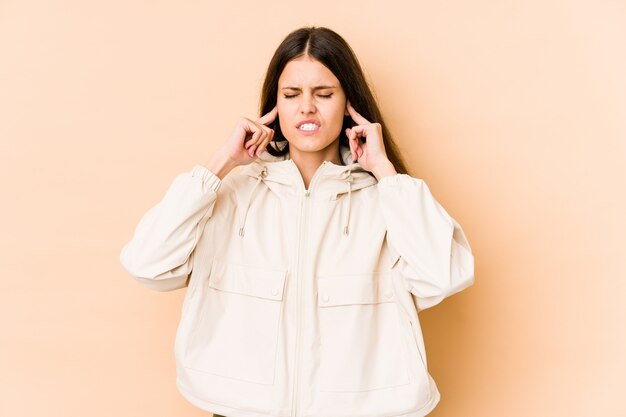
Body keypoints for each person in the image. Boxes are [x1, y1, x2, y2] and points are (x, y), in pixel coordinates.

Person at [120, 26, 475, 417]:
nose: (307, 107)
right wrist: (220, 164)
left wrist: (386, 174)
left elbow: (445, 273)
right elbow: (147, 264)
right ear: (275, 105)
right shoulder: (233, 194)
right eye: (291, 95)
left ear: (348, 106)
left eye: (324, 95)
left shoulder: (385, 201)